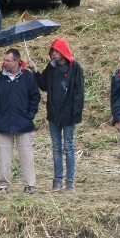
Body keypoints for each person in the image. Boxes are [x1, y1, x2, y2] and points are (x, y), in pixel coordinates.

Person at [32, 38, 84, 192]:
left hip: (68, 115)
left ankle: (70, 181)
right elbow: (43, 85)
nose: (53, 54)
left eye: (56, 51)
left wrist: (76, 114)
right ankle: (57, 181)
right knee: (56, 148)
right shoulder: (51, 67)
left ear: (63, 51)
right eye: (52, 51)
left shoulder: (75, 67)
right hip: (54, 114)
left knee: (69, 146)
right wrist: (35, 71)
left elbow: (79, 93)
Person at [0, 48, 41, 194]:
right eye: (4, 60)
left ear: (17, 61)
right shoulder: (0, 77)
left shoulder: (28, 77)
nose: (4, 62)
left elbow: (35, 97)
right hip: (3, 124)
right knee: (4, 158)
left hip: (24, 124)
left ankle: (30, 185)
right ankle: (2, 185)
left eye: (8, 60)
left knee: (27, 156)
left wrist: (30, 114)